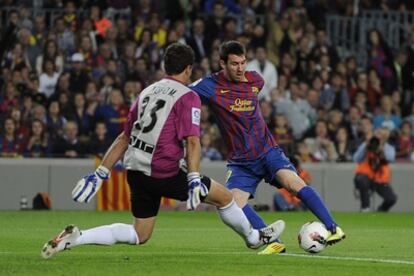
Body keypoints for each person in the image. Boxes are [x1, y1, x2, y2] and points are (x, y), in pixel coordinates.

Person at [41, 43, 284, 259]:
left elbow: (124, 136)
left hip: (135, 169)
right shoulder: (188, 96)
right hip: (163, 171)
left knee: (140, 233)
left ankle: (77, 237)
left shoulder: (147, 91)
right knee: (225, 198)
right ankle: (254, 238)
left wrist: (101, 173)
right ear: (188, 69)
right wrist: (193, 177)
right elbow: (192, 142)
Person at [190, 41, 345, 254]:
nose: (240, 68)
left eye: (243, 62)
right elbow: (184, 94)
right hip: (241, 162)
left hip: (267, 151)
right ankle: (272, 240)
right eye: (234, 64)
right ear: (222, 64)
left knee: (294, 183)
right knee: (233, 203)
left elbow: (254, 89)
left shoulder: (255, 79)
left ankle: (333, 227)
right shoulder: (209, 85)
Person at [353, 126, 397, 212]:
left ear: (386, 137)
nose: (380, 137)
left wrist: (382, 149)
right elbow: (356, 158)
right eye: (378, 134)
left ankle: (380, 211)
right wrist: (366, 144)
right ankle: (365, 208)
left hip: (380, 179)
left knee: (391, 199)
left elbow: (390, 158)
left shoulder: (389, 147)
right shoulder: (367, 144)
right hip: (367, 176)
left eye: (383, 135)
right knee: (361, 179)